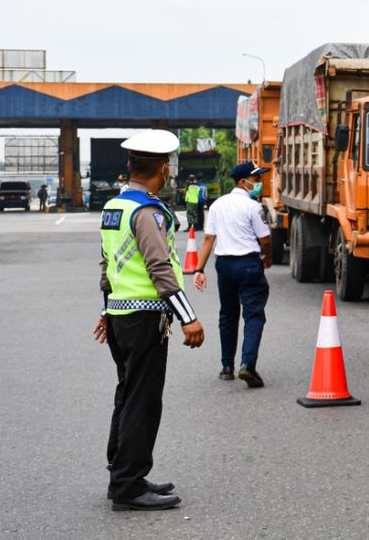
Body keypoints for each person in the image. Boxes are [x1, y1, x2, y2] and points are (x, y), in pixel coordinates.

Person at [92, 128, 205, 511]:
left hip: (121, 316)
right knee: (143, 400)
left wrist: (106, 311)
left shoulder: (115, 208)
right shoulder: (148, 212)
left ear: (128, 166)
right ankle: (128, 486)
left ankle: (124, 474)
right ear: (164, 167)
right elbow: (160, 267)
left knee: (127, 394)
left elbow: (109, 266)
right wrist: (188, 318)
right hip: (144, 318)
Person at [191, 161, 273, 387]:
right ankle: (248, 365)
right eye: (256, 179)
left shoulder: (218, 205)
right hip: (248, 263)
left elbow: (209, 239)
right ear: (243, 181)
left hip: (224, 265)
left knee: (228, 314)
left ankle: (227, 367)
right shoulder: (253, 207)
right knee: (254, 315)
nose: (259, 183)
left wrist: (199, 269)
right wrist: (268, 258)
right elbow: (265, 239)